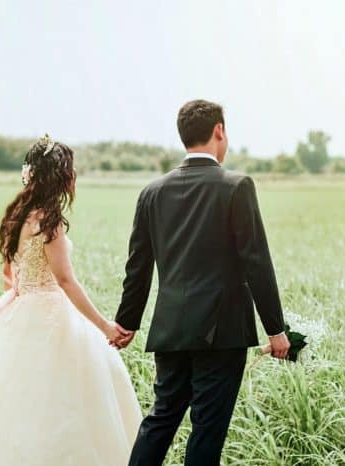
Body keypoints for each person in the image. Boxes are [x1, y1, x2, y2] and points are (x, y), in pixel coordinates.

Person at [0, 135, 141, 466]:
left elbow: (8, 272)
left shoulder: (19, 215)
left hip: (17, 309)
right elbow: (65, 280)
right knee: (60, 404)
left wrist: (22, 292)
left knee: (7, 404)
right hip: (49, 310)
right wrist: (105, 326)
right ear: (60, 177)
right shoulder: (50, 222)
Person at [112, 99, 291, 466]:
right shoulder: (237, 186)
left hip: (171, 329)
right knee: (206, 432)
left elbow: (138, 267)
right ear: (219, 131)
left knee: (160, 420)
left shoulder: (152, 192)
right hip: (222, 332)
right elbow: (256, 261)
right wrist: (276, 329)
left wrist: (127, 322)